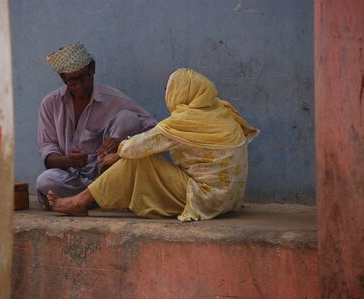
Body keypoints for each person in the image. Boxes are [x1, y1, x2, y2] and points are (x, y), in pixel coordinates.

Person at [47, 68, 259, 221]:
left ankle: (80, 202)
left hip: (206, 198)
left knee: (137, 162)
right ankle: (90, 196)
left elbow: (137, 147)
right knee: (134, 159)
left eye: (171, 89)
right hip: (229, 199)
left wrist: (116, 154)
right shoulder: (223, 110)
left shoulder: (184, 121)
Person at [36, 42, 156, 208]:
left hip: (107, 175)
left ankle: (87, 198)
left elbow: (154, 130)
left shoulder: (114, 99)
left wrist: (123, 141)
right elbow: (48, 153)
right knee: (45, 181)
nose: (81, 84)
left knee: (128, 119)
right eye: (73, 80)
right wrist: (69, 160)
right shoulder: (50, 104)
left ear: (92, 68)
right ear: (63, 78)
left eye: (84, 76)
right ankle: (93, 198)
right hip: (72, 179)